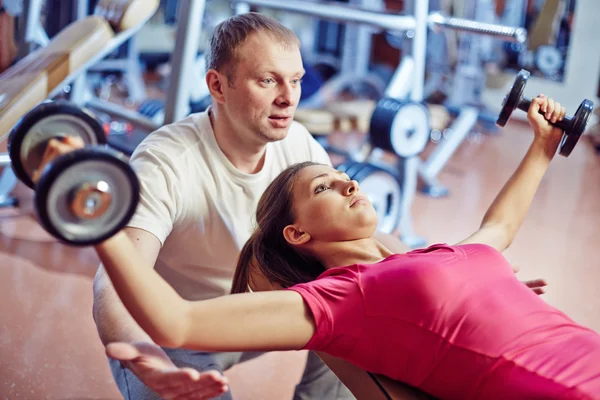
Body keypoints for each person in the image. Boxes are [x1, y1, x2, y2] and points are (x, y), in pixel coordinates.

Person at [80, 93, 600, 400]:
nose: (350, 184)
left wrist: (542, 146)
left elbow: (499, 228)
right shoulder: (338, 297)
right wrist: (96, 220)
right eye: (323, 188)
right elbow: (179, 322)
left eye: (344, 177)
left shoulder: (429, 255)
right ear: (297, 234)